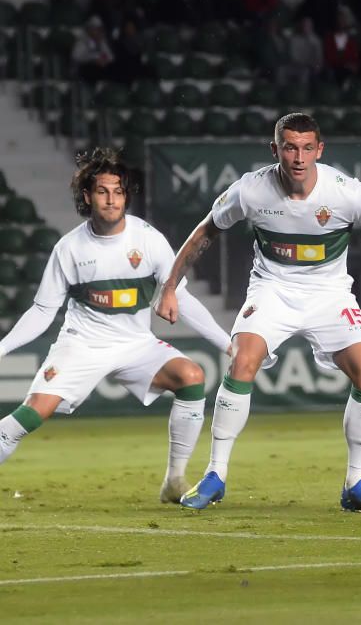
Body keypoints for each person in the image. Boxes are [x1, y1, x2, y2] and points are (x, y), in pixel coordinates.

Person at [155, 112, 361, 513]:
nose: (298, 157)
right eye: (289, 147)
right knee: (243, 360)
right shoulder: (250, 191)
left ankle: (356, 483)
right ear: (275, 148)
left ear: (320, 149)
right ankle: (216, 475)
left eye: (306, 147)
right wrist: (170, 286)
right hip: (272, 290)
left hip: (330, 295)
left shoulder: (346, 193)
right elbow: (205, 232)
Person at [0, 148, 231, 504]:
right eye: (103, 191)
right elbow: (42, 312)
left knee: (191, 376)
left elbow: (180, 298)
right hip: (82, 344)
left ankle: (174, 480)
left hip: (135, 343)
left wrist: (227, 344)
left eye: (118, 191)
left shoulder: (148, 238)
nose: (111, 199)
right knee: (30, 415)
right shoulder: (69, 249)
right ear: (87, 196)